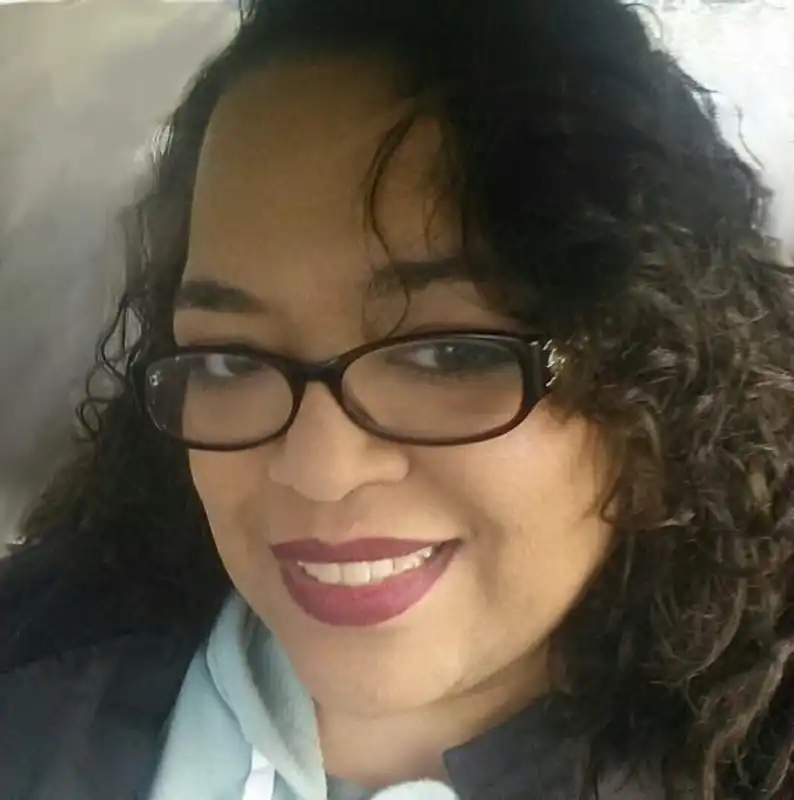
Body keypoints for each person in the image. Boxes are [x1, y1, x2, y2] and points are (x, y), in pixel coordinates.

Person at [0, 0, 792, 798]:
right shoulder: (33, 684)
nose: (320, 471)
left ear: (655, 374)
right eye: (231, 363)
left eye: (447, 354)